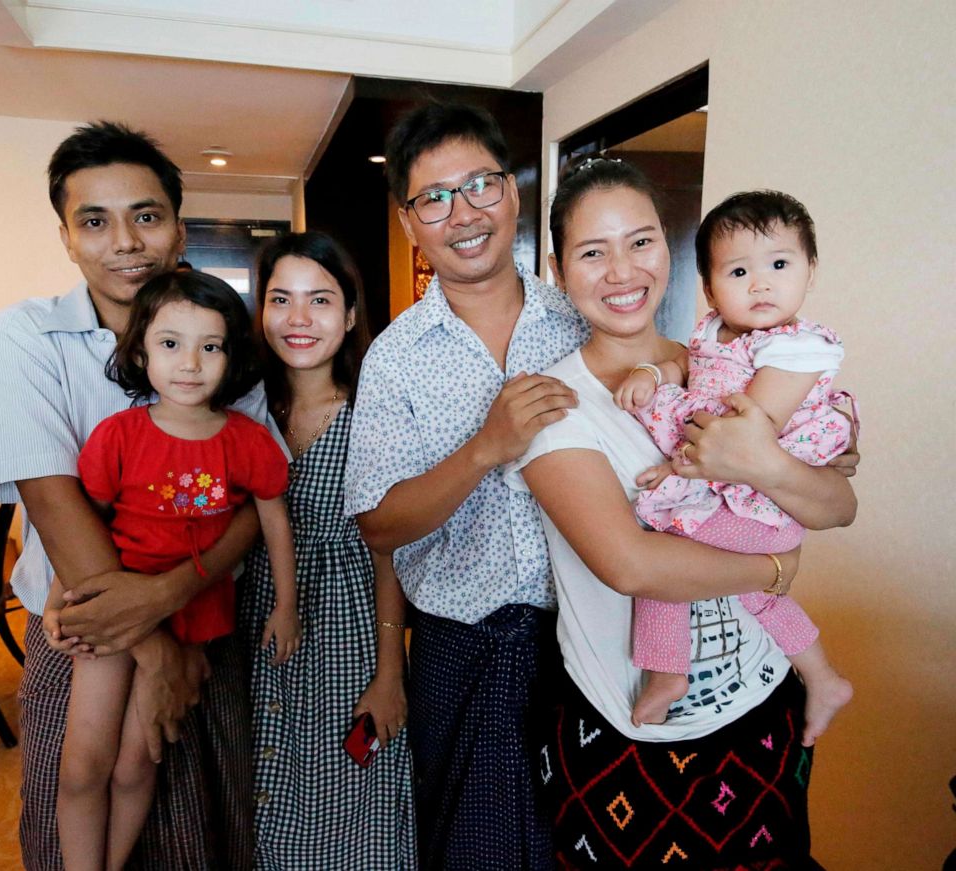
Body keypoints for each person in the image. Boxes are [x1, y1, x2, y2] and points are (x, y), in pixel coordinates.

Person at [505, 156, 858, 868]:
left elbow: (837, 504)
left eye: (640, 241)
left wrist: (769, 465)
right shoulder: (553, 404)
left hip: (761, 705)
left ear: (669, 247)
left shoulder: (730, 362)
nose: (622, 270)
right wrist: (774, 565)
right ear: (557, 266)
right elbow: (631, 562)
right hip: (629, 740)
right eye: (592, 251)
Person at [0, 121, 268, 870]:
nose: (125, 241)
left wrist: (170, 614)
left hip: (204, 627)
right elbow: (55, 503)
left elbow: (250, 507)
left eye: (146, 215)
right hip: (82, 632)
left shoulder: (227, 342)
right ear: (67, 237)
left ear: (176, 224)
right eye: (94, 221)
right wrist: (150, 646)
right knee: (72, 802)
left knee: (202, 832)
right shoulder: (21, 339)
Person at [344, 103, 588, 869]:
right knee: (467, 851)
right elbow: (380, 525)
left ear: (515, 193)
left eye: (481, 184)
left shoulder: (582, 320)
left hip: (583, 638)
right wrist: (487, 446)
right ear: (410, 222)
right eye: (435, 197)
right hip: (459, 649)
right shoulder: (395, 357)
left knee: (581, 843)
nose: (463, 213)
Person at [47, 271, 300, 870]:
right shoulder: (118, 435)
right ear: (140, 350)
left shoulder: (247, 440)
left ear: (230, 357)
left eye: (209, 346)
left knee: (138, 765)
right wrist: (61, 600)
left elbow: (273, 523)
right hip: (112, 615)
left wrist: (286, 604)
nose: (190, 363)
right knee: (85, 764)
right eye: (170, 344)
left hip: (192, 618)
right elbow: (84, 523)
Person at [613, 189, 854, 736]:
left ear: (809, 270)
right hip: (738, 494)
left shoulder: (798, 347)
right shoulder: (710, 333)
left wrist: (677, 470)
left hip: (763, 503)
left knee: (665, 543)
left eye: (779, 264)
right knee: (755, 592)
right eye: (739, 270)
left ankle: (666, 670)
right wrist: (653, 375)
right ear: (709, 288)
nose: (761, 283)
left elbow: (746, 434)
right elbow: (688, 370)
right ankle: (821, 676)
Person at [239, 231, 417, 869]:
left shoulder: (377, 410)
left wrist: (391, 674)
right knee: (268, 788)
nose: (297, 319)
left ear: (348, 315)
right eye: (281, 299)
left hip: (349, 626)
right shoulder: (245, 404)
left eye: (319, 301)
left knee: (354, 782)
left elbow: (389, 549)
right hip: (257, 621)